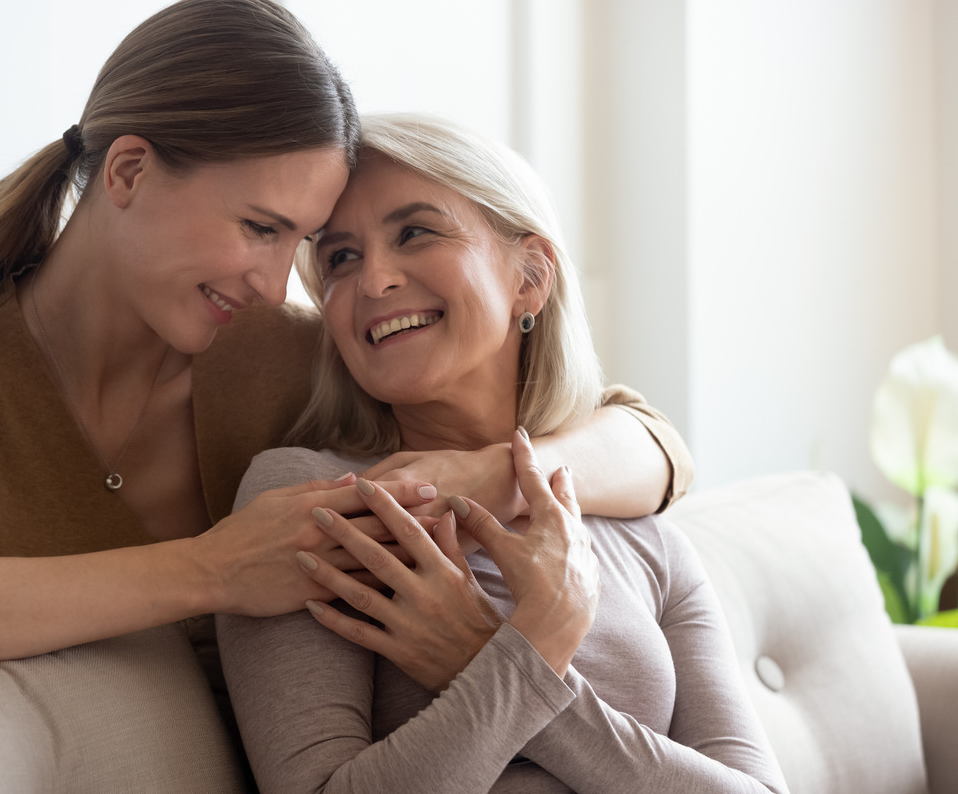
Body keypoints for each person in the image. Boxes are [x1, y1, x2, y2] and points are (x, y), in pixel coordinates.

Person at [0, 0, 690, 664]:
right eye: (259, 228)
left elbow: (650, 444)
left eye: (299, 244)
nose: (271, 286)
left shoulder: (282, 353)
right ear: (128, 173)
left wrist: (483, 474)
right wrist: (212, 570)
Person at [217, 114, 787, 793]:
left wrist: (490, 657)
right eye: (340, 257)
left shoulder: (638, 528)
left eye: (415, 232)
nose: (373, 281)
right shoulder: (317, 499)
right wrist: (532, 648)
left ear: (530, 276)